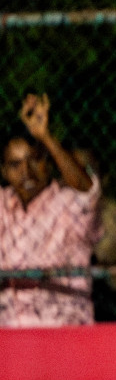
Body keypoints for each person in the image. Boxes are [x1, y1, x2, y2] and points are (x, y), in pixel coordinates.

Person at [0, 95, 101, 328]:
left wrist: (45, 136)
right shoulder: (4, 205)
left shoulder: (66, 203)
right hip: (9, 330)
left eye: (34, 160)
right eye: (15, 165)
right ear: (4, 171)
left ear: (47, 161)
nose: (26, 172)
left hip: (61, 327)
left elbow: (87, 191)